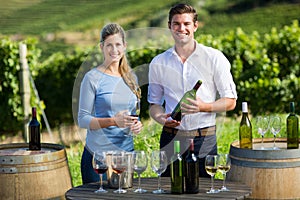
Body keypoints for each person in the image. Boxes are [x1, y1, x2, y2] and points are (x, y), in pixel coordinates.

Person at [148, 3, 237, 177]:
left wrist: (203, 107)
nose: (181, 28)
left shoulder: (214, 58)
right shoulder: (158, 62)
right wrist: (160, 118)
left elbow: (230, 101)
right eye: (176, 24)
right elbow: (154, 104)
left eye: (187, 23)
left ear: (195, 26)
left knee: (203, 192)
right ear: (169, 26)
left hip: (204, 138)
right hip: (170, 139)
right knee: (169, 191)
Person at [78, 23, 143, 184]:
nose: (114, 50)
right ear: (101, 47)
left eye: (118, 44)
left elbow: (132, 113)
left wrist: (137, 125)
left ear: (125, 46)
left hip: (125, 156)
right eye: (109, 45)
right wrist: (113, 121)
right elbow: (82, 119)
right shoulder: (92, 78)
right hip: (98, 157)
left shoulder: (131, 77)